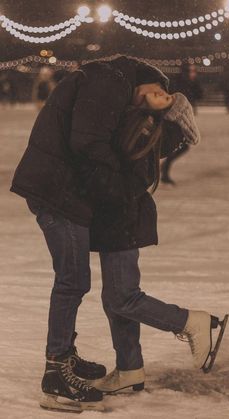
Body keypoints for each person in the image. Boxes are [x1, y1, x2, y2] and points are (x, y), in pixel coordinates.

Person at [10, 55, 175, 412]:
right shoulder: (110, 81)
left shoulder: (110, 82)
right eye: (158, 91)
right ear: (143, 81)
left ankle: (64, 355)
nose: (158, 97)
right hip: (58, 191)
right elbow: (88, 142)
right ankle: (56, 372)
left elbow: (105, 140)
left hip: (64, 190)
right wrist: (124, 182)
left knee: (73, 280)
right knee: (71, 281)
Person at [86, 90, 228, 393]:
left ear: (164, 115)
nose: (156, 92)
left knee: (123, 297)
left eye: (164, 98)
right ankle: (129, 368)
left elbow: (123, 177)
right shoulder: (141, 126)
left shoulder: (145, 133)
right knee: (115, 299)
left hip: (123, 220)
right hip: (117, 219)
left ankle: (190, 322)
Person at [161, 63, 203, 185]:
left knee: (181, 146)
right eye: (191, 71)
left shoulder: (190, 82)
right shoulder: (177, 82)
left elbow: (199, 95)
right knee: (180, 145)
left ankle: (164, 170)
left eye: (194, 71)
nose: (193, 73)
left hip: (181, 118)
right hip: (172, 119)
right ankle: (164, 171)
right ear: (185, 71)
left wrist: (194, 83)